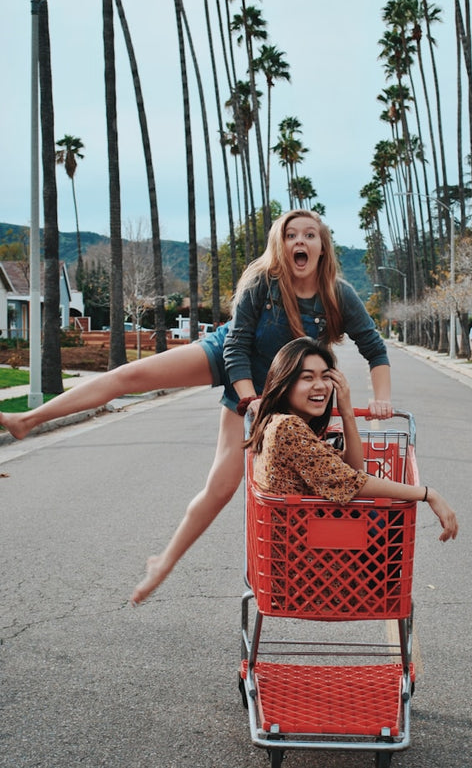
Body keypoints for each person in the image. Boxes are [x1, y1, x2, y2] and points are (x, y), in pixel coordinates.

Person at [0, 209, 394, 600]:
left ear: (322, 246)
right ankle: (28, 419)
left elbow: (374, 349)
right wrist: (248, 400)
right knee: (129, 377)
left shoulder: (338, 294)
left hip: (270, 388)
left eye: (309, 235)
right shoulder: (263, 281)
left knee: (221, 487)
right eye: (291, 235)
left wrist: (382, 399)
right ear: (281, 243)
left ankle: (163, 562)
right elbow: (236, 346)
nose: (299, 242)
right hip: (231, 360)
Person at [246, 338, 458, 540]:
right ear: (285, 383)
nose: (320, 386)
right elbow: (351, 482)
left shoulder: (281, 423)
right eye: (308, 378)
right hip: (302, 553)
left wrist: (347, 411)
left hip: (301, 541)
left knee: (377, 517)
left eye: (326, 377)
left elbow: (353, 471)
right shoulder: (287, 427)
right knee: (387, 519)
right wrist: (427, 494)